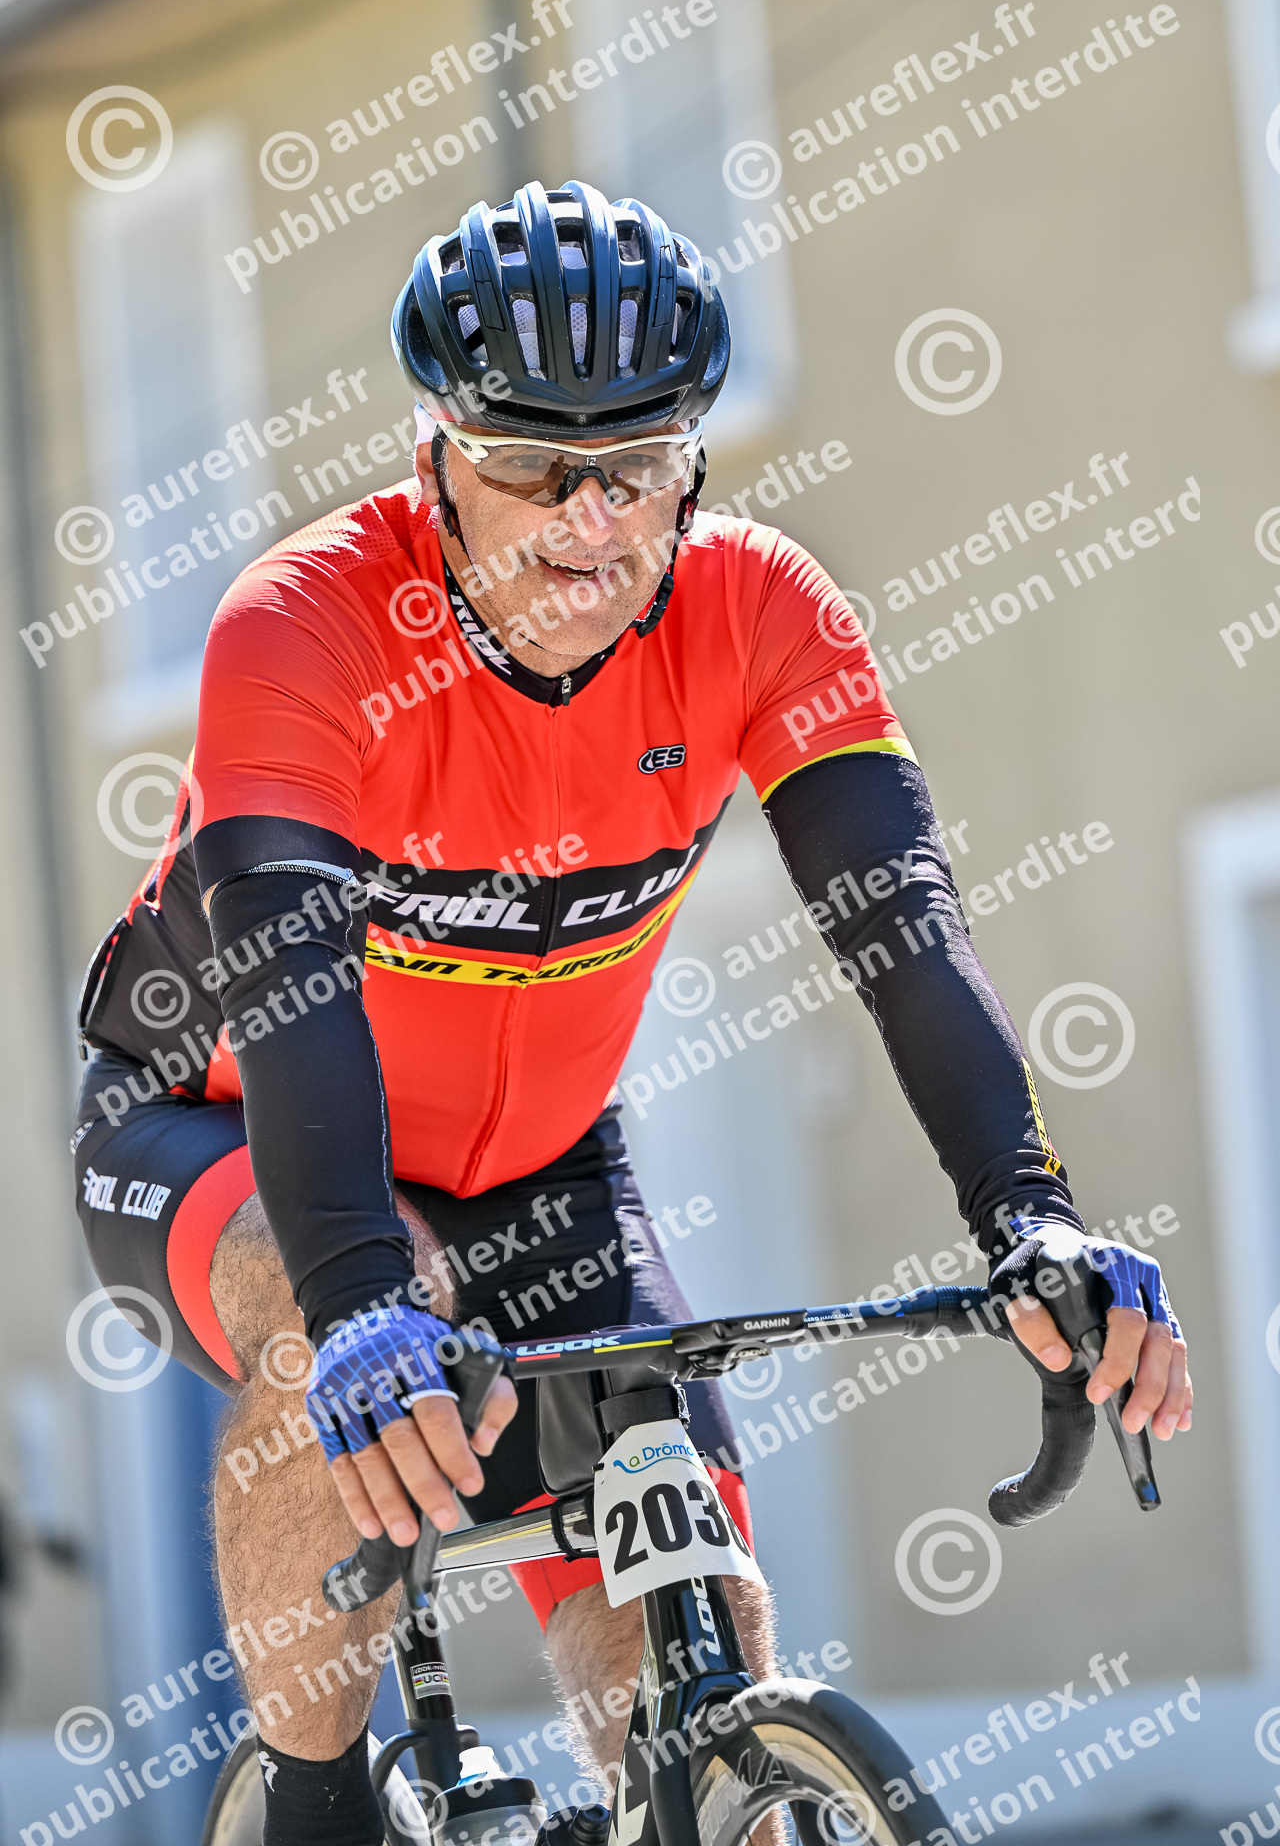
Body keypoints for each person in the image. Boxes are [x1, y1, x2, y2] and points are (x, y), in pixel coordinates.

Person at [72, 180, 1190, 1846]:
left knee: (699, 1628)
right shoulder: (304, 624)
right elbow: (296, 990)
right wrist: (364, 1298)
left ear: (696, 463)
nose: (590, 521)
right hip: (215, 1128)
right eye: (533, 466)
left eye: (642, 464)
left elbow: (902, 926)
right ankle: (312, 1807)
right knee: (343, 1325)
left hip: (546, 1172)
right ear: (435, 458)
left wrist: (1029, 1214)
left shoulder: (762, 608)